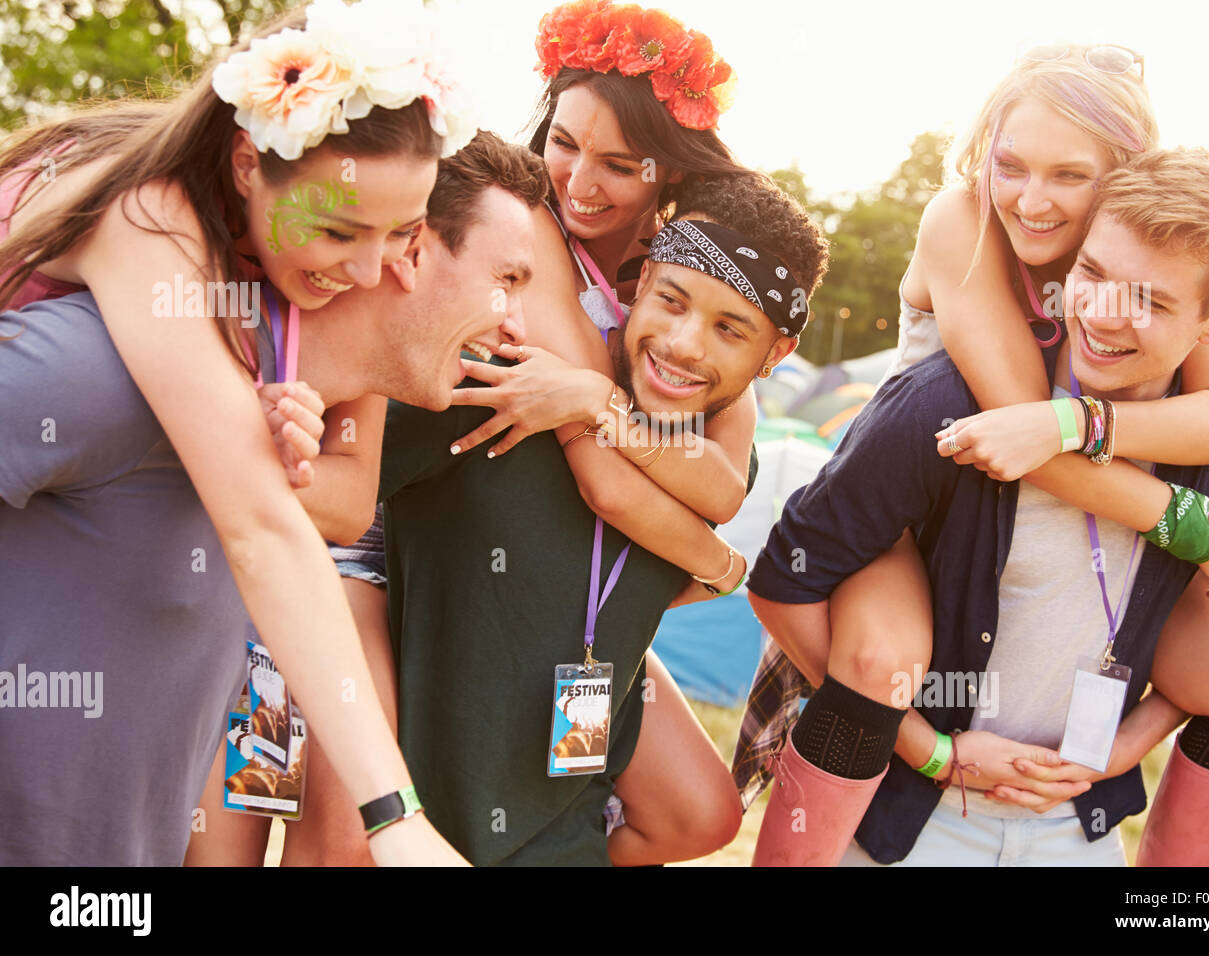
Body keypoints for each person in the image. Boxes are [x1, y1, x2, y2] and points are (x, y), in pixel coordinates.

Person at [733, 45, 1209, 865]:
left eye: (1070, 175)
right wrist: (1185, 520)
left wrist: (1127, 742)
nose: (1032, 198)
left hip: (1043, 447)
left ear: (1124, 183)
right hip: (921, 503)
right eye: (1012, 165)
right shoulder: (964, 228)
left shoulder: (1169, 261)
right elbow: (1014, 428)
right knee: (881, 654)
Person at [0, 0, 475, 864]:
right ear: (249, 163)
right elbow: (261, 531)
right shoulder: (152, 220)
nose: (371, 270)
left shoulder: (241, 263)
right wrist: (394, 815)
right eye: (340, 230)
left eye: (401, 234)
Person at [332, 0, 781, 865]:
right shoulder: (529, 224)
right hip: (394, 546)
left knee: (699, 814)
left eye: (617, 162)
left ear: (667, 172)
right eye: (564, 141)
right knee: (349, 829)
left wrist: (715, 557)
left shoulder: (679, 279)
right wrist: (712, 559)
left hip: (565, 598)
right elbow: (607, 473)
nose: (577, 177)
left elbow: (715, 473)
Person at [379, 170, 828, 865]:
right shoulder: (502, 386)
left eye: (729, 329)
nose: (684, 344)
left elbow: (643, 588)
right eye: (672, 300)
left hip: (568, 826)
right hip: (415, 824)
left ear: (777, 355)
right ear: (641, 281)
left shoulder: (712, 465)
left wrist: (718, 569)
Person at [180, 131, 550, 866]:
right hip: (225, 599)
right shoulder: (207, 314)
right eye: (505, 278)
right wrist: (241, 451)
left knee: (342, 831)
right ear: (413, 248)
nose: (518, 322)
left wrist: (267, 467)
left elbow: (348, 507)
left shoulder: (370, 360)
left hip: (294, 603)